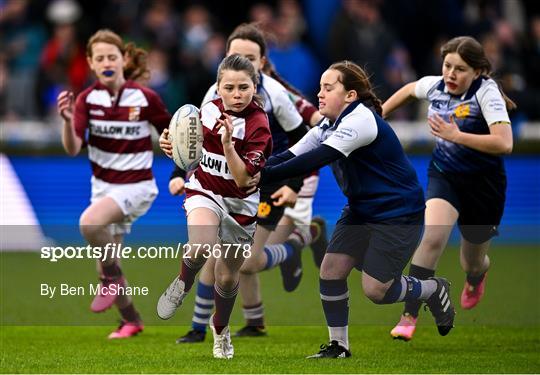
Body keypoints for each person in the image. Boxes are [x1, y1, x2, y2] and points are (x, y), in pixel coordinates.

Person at [258, 60, 456, 358]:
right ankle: (339, 346)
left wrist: (259, 176)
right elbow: (289, 155)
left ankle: (432, 290)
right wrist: (252, 169)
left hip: (397, 212)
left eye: (328, 87)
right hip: (361, 210)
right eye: (320, 87)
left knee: (377, 291)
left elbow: (315, 159)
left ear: (350, 95)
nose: (320, 94)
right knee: (330, 270)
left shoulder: (360, 120)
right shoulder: (327, 123)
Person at [168, 23, 327, 344]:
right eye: (236, 56)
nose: (243, 62)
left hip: (267, 179)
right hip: (223, 181)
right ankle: (228, 325)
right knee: (220, 256)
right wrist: (177, 172)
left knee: (248, 261)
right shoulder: (216, 92)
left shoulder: (275, 95)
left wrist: (293, 184)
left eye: (250, 58)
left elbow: (305, 140)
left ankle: (298, 243)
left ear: (263, 63)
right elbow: (193, 136)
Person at [383, 36, 514, 341]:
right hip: (445, 176)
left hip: (484, 186)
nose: (451, 74)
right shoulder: (435, 85)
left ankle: (476, 276)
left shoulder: (487, 92)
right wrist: (379, 114)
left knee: (473, 259)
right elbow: (408, 90)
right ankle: (409, 315)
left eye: (461, 69)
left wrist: (457, 136)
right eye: (447, 66)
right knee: (431, 238)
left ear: (478, 71)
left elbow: (505, 143)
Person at [56, 29, 171, 338]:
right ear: (91, 64)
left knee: (89, 224)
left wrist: (177, 152)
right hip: (104, 188)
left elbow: (170, 131)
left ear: (123, 59)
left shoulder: (144, 97)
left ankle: (113, 279)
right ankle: (131, 320)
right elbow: (71, 148)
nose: (107, 62)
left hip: (137, 185)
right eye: (100, 58)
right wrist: (68, 121)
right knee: (104, 263)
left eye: (112, 56)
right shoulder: (86, 100)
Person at [156, 54, 272, 359]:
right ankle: (183, 282)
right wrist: (171, 147)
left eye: (243, 88)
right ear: (218, 88)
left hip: (241, 203)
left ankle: (220, 331)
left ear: (254, 86)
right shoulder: (207, 112)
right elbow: (188, 152)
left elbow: (244, 179)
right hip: (205, 191)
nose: (236, 94)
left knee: (226, 276)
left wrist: (228, 145)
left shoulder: (259, 126)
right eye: (229, 87)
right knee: (200, 246)